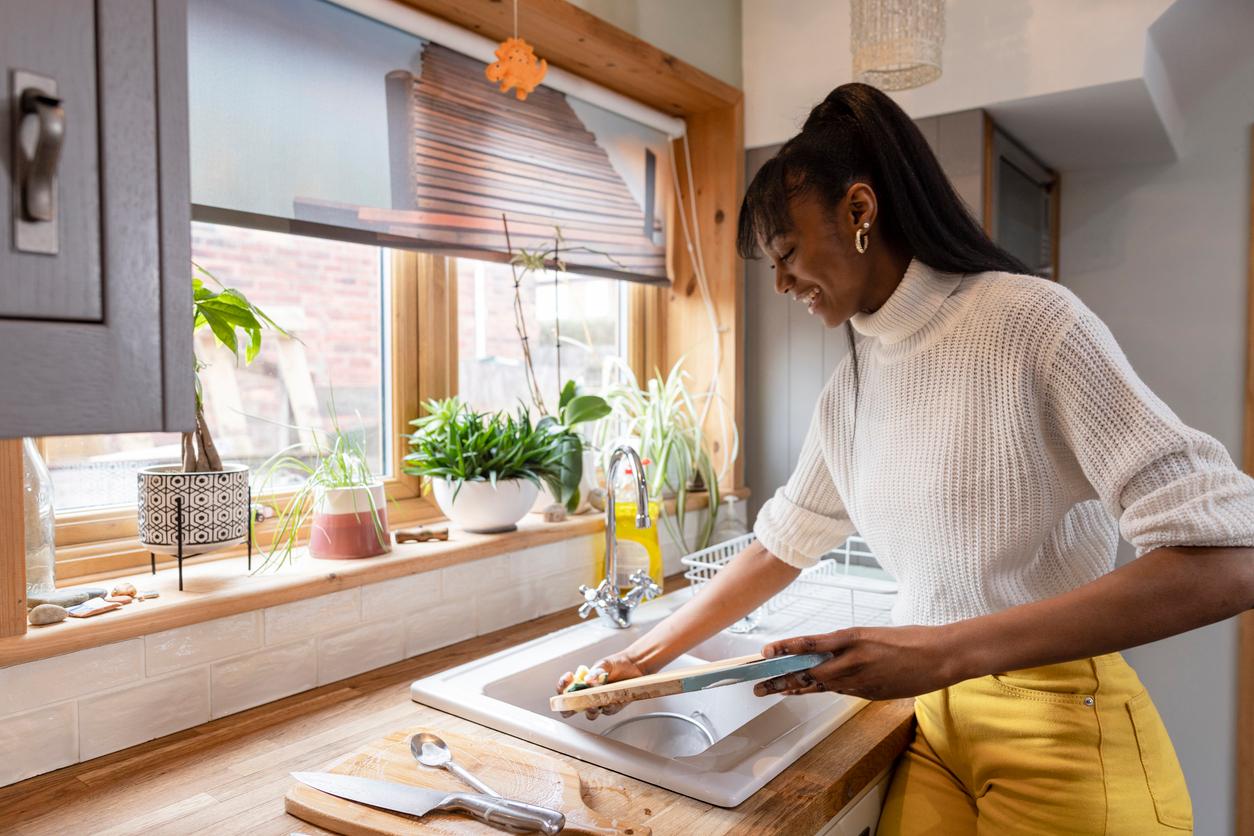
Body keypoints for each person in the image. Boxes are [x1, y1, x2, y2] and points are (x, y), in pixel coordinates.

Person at [557, 83, 1254, 834]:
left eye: (787, 253)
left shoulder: (1032, 323)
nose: (782, 282)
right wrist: (645, 656)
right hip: (937, 729)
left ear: (860, 212)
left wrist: (941, 652)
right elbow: (781, 545)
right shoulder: (852, 382)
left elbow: (1230, 556)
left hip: (1061, 725)